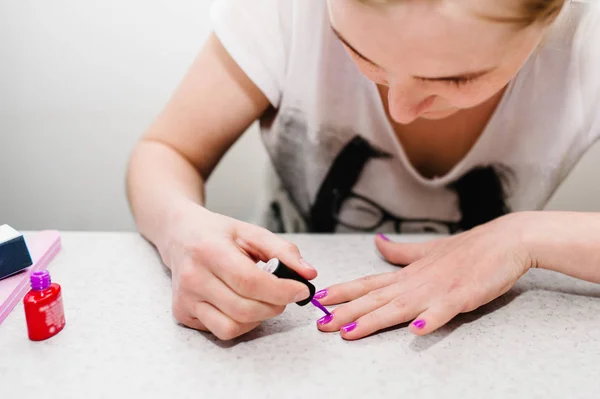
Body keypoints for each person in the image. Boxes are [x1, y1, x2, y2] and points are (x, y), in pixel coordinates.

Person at [125, 0, 600, 341]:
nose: (401, 108)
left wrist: (523, 238)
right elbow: (166, 151)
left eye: (456, 78)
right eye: (360, 54)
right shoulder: (284, 10)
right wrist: (182, 231)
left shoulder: (588, 40)